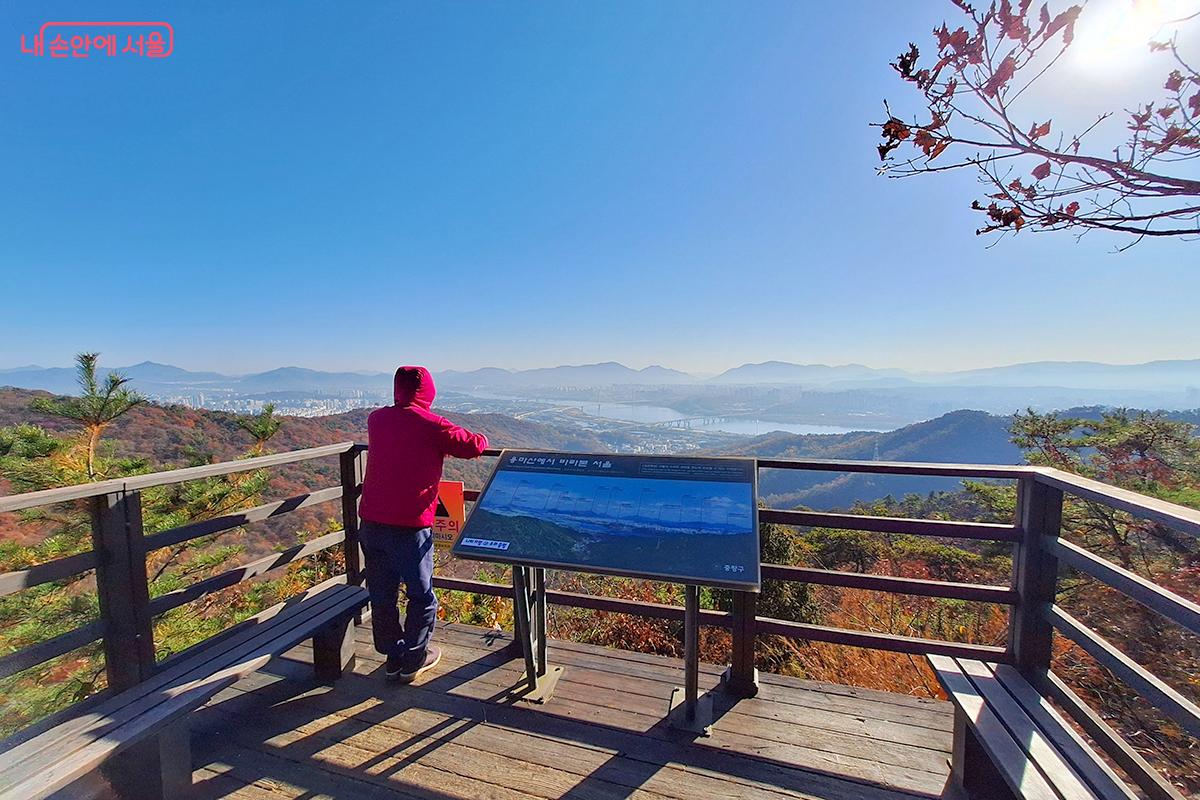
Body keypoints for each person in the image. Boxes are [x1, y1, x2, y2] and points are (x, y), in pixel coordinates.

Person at [358, 365, 489, 682]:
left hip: (372, 523)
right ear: (428, 391)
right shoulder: (433, 426)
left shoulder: (376, 420)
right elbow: (474, 445)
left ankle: (393, 656)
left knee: (382, 593)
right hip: (410, 527)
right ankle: (414, 658)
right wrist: (482, 435)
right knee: (421, 596)